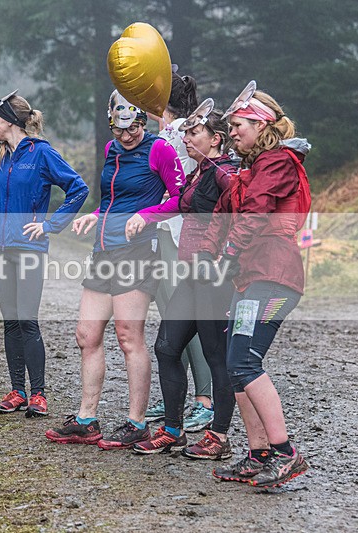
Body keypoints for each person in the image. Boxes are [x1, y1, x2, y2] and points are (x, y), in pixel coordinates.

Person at [45, 90, 183, 447]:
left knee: (127, 337)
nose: (126, 136)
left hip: (138, 253)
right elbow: (110, 199)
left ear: (143, 121)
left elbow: (181, 198)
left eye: (134, 128)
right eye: (119, 130)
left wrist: (146, 215)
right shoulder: (110, 151)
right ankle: (87, 419)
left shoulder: (159, 150)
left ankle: (136, 422)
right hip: (103, 252)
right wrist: (94, 216)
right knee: (86, 335)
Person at [201, 82, 311, 488]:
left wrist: (228, 251)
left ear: (261, 123)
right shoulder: (252, 168)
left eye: (239, 124)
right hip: (251, 280)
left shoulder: (279, 161)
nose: (232, 132)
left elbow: (255, 210)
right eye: (229, 126)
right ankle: (259, 453)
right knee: (235, 366)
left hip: (275, 277)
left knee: (246, 362)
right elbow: (225, 209)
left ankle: (285, 453)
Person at [132, 103, 240, 459]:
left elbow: (245, 217)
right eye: (186, 131)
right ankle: (173, 431)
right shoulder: (200, 172)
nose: (186, 136)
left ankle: (219, 437)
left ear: (216, 139)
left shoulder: (227, 174)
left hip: (213, 278)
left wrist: (226, 259)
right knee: (166, 347)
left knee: (215, 356)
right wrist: (145, 215)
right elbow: (179, 204)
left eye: (194, 132)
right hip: (190, 277)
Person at [0, 90, 88, 418]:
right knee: (10, 321)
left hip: (29, 249)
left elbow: (77, 188)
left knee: (27, 319)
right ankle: (17, 390)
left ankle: (38, 395)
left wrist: (50, 225)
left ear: (11, 121)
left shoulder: (41, 154)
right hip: (0, 249)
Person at [145, 71, 216, 432]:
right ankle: (179, 395)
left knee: (183, 318)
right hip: (164, 233)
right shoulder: (170, 132)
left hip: (175, 233)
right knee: (173, 321)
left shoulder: (174, 134)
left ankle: (204, 399)